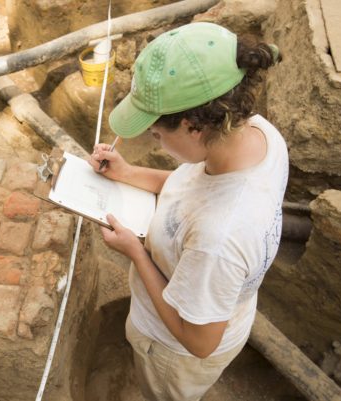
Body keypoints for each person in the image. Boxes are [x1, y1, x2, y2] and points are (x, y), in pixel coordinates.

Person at [88, 22, 287, 401]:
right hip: (211, 300)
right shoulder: (256, 133)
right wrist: (127, 173)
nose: (156, 142)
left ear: (192, 126)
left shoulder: (219, 237)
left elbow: (199, 342)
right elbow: (192, 187)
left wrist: (135, 252)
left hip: (172, 354)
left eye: (157, 135)